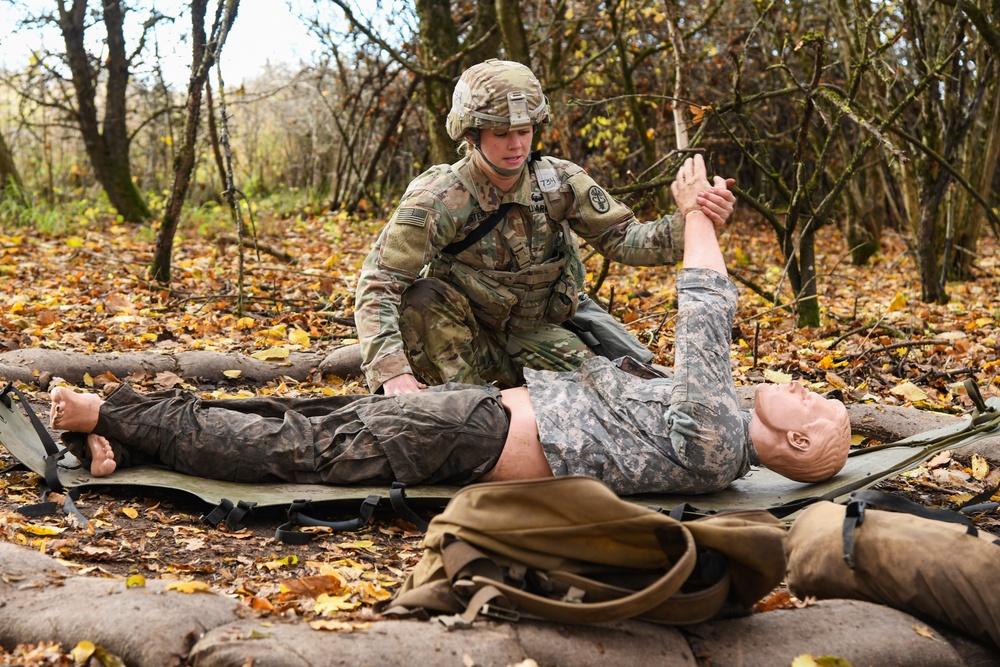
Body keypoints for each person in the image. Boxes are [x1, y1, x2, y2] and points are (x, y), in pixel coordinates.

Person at [50, 156, 850, 496]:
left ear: (802, 446)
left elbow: (706, 306)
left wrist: (693, 219)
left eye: (815, 405)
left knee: (295, 445)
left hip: (470, 431)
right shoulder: (721, 438)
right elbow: (381, 281)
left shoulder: (718, 435)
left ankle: (105, 413)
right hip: (479, 408)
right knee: (309, 423)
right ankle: (129, 431)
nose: (802, 389)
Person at [354, 58, 736, 395]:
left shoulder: (559, 181)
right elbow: (379, 283)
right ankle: (469, 407)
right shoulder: (440, 197)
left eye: (524, 131)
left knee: (620, 396)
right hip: (460, 338)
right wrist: (392, 372)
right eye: (501, 134)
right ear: (472, 135)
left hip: (536, 333)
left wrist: (693, 219)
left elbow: (625, 239)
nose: (516, 145)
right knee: (423, 302)